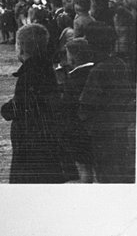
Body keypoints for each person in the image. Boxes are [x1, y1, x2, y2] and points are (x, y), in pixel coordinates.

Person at [0, 23, 64, 183]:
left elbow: (20, 107)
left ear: (20, 48)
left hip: (31, 143)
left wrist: (6, 109)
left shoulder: (28, 75)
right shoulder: (46, 67)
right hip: (48, 139)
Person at [79, 22, 135, 182]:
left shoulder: (98, 70)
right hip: (120, 127)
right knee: (120, 171)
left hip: (102, 131)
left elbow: (87, 103)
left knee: (105, 174)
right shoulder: (120, 64)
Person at [60, 38, 95, 182]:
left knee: (84, 167)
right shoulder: (93, 71)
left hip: (78, 128)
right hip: (94, 126)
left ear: (73, 57)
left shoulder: (73, 78)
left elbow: (67, 105)